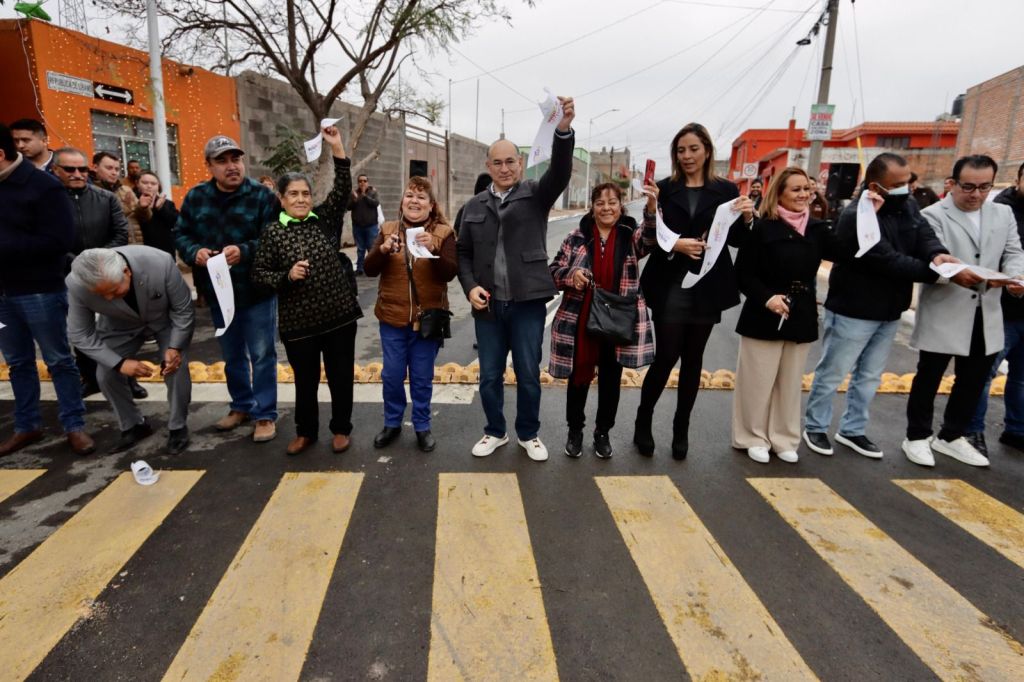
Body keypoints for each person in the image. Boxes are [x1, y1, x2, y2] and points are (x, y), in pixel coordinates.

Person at [803, 153, 953, 460]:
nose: (906, 188)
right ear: (876, 185)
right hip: (852, 309)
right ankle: (815, 426)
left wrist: (938, 254)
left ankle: (852, 429)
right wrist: (935, 273)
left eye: (908, 181)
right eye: (898, 184)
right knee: (833, 372)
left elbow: (924, 234)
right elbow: (884, 258)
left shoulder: (908, 206)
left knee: (870, 376)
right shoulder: (857, 215)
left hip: (889, 310)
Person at [457, 96, 576, 462]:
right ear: (488, 165)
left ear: (520, 164)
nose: (505, 167)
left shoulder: (536, 195)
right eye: (498, 162)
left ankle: (529, 433)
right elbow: (461, 253)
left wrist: (563, 129)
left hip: (527, 304)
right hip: (489, 307)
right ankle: (495, 431)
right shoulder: (474, 206)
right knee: (489, 376)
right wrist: (471, 286)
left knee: (527, 373)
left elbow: (560, 170)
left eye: (511, 161)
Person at [635, 122, 754, 459]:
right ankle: (643, 422)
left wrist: (746, 219)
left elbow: (737, 241)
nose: (686, 156)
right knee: (667, 356)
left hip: (707, 284)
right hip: (671, 283)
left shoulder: (727, 190)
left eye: (693, 149)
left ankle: (681, 427)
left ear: (706, 151)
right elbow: (651, 237)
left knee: (693, 359)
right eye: (680, 150)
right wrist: (677, 245)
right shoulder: (663, 189)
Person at [903, 155, 1024, 468]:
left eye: (984, 187)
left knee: (973, 378)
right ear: (952, 184)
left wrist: (1016, 276)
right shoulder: (932, 214)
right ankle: (916, 435)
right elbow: (936, 259)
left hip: (988, 310)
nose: (976, 194)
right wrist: (966, 276)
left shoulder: (1002, 213)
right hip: (947, 306)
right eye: (968, 186)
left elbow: (1013, 251)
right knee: (929, 375)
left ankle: (951, 435)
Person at [252, 126, 361, 456]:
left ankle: (341, 428)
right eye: (293, 194)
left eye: (305, 194)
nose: (300, 199)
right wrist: (286, 276)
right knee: (306, 381)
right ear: (282, 199)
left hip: (339, 317)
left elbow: (342, 189)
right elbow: (259, 275)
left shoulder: (324, 220)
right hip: (299, 325)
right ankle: (306, 432)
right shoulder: (273, 234)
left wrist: (338, 147)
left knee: (341, 377)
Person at [731, 167, 844, 464]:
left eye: (807, 188)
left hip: (801, 312)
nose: (803, 195)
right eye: (795, 189)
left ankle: (784, 438)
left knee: (790, 382)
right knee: (757, 381)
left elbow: (849, 251)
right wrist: (768, 299)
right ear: (778, 192)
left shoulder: (819, 229)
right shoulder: (761, 227)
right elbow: (743, 273)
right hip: (763, 312)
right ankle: (752, 436)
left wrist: (869, 212)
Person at [176, 135, 281, 443]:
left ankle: (265, 414)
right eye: (221, 161)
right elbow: (181, 234)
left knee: (262, 355)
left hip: (257, 291)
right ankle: (241, 406)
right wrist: (194, 251)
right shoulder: (196, 197)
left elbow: (274, 239)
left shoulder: (262, 196)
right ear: (209, 165)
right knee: (232, 354)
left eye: (235, 159)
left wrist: (245, 250)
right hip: (219, 293)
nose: (231, 166)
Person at [0, 123, 94, 456]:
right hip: (3, 293)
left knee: (58, 360)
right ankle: (27, 426)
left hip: (40, 289)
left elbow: (59, 240)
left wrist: (6, 247)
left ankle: (74, 425)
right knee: (18, 362)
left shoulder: (43, 187)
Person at [548, 182, 657, 458]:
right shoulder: (576, 236)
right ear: (592, 207)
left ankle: (602, 432)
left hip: (618, 317)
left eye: (612, 202)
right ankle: (575, 431)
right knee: (578, 378)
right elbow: (554, 270)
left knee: (611, 378)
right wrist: (572, 275)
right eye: (600, 203)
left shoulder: (630, 234)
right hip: (580, 318)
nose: (606, 208)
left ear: (621, 206)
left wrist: (652, 208)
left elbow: (650, 240)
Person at [66, 247, 195, 454]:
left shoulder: (160, 262)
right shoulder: (76, 284)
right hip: (119, 326)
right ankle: (134, 425)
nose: (108, 298)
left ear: (127, 272)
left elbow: (183, 309)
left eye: (114, 290)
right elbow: (80, 334)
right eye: (101, 294)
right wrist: (120, 363)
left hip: (163, 321)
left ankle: (178, 426)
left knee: (175, 367)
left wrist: (175, 346)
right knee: (106, 374)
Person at [364, 176, 457, 453]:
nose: (414, 201)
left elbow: (450, 273)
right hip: (392, 318)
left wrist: (434, 250)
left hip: (427, 320)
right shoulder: (388, 229)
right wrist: (381, 250)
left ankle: (422, 426)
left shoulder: (443, 232)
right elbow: (369, 269)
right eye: (409, 196)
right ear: (402, 201)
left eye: (421, 197)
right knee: (391, 375)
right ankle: (392, 423)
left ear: (431, 206)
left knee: (421, 377)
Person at [53, 147, 136, 399]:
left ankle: (128, 380)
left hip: (109, 272)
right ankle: (90, 377)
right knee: (82, 328)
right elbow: (50, 238)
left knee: (120, 328)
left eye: (82, 169)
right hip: (70, 275)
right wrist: (79, 264)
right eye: (70, 169)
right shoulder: (49, 200)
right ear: (56, 170)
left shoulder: (106, 198)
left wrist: (99, 262)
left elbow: (121, 232)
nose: (77, 174)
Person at [970, 161, 1024, 453]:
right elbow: (1003, 255)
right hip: (1002, 308)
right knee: (983, 374)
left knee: (1021, 378)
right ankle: (972, 430)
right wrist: (1014, 278)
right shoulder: (1001, 213)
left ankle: (1017, 429)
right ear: (1017, 180)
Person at [93, 151, 142, 244]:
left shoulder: (126, 190)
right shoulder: (90, 191)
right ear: (95, 167)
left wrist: (144, 207)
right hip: (106, 248)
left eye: (117, 169)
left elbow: (143, 218)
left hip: (133, 246)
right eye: (109, 168)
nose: (114, 173)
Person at [133, 170, 179, 258]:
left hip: (164, 252)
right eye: (145, 183)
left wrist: (161, 209)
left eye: (153, 184)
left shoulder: (167, 203)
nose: (149, 186)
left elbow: (177, 223)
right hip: (140, 251)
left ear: (158, 186)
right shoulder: (131, 201)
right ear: (137, 184)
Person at [348, 173, 381, 275]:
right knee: (360, 249)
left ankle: (372, 268)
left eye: (364, 181)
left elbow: (376, 203)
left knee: (371, 248)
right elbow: (348, 207)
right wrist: (355, 199)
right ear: (358, 183)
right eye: (360, 181)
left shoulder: (373, 192)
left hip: (371, 226)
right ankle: (360, 269)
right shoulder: (354, 193)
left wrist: (365, 196)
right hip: (358, 226)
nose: (362, 183)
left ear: (368, 182)